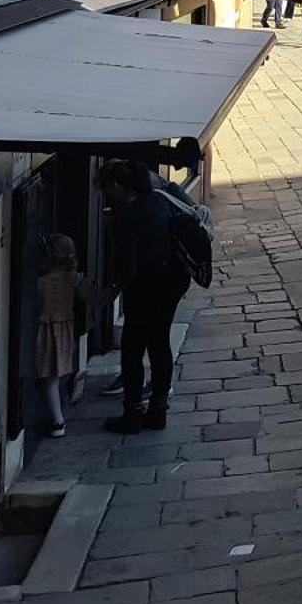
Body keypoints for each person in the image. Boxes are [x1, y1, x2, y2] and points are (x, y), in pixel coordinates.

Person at [100, 161, 193, 433]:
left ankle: (132, 414)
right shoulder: (160, 200)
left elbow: (127, 263)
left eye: (107, 189)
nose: (105, 195)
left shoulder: (128, 215)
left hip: (145, 288)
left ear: (118, 186)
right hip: (173, 282)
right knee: (160, 343)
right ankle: (158, 410)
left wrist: (115, 288)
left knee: (132, 348)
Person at [34, 234, 94, 438]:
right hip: (65, 330)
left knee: (48, 378)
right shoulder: (74, 278)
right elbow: (91, 296)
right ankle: (57, 413)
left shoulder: (40, 282)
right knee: (57, 374)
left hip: (45, 331)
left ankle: (57, 421)